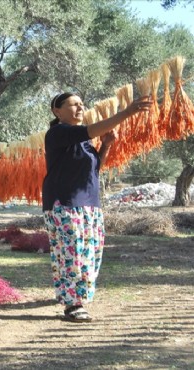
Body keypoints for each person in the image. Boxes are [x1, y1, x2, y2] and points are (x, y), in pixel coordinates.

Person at [43, 92, 152, 322]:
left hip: (89, 203)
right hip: (64, 203)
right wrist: (127, 112)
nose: (80, 108)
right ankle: (72, 304)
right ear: (57, 111)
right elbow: (92, 129)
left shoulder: (84, 140)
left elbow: (93, 169)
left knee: (89, 254)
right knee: (71, 253)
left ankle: (77, 295)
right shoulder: (58, 133)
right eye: (73, 104)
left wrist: (106, 146)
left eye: (82, 104)